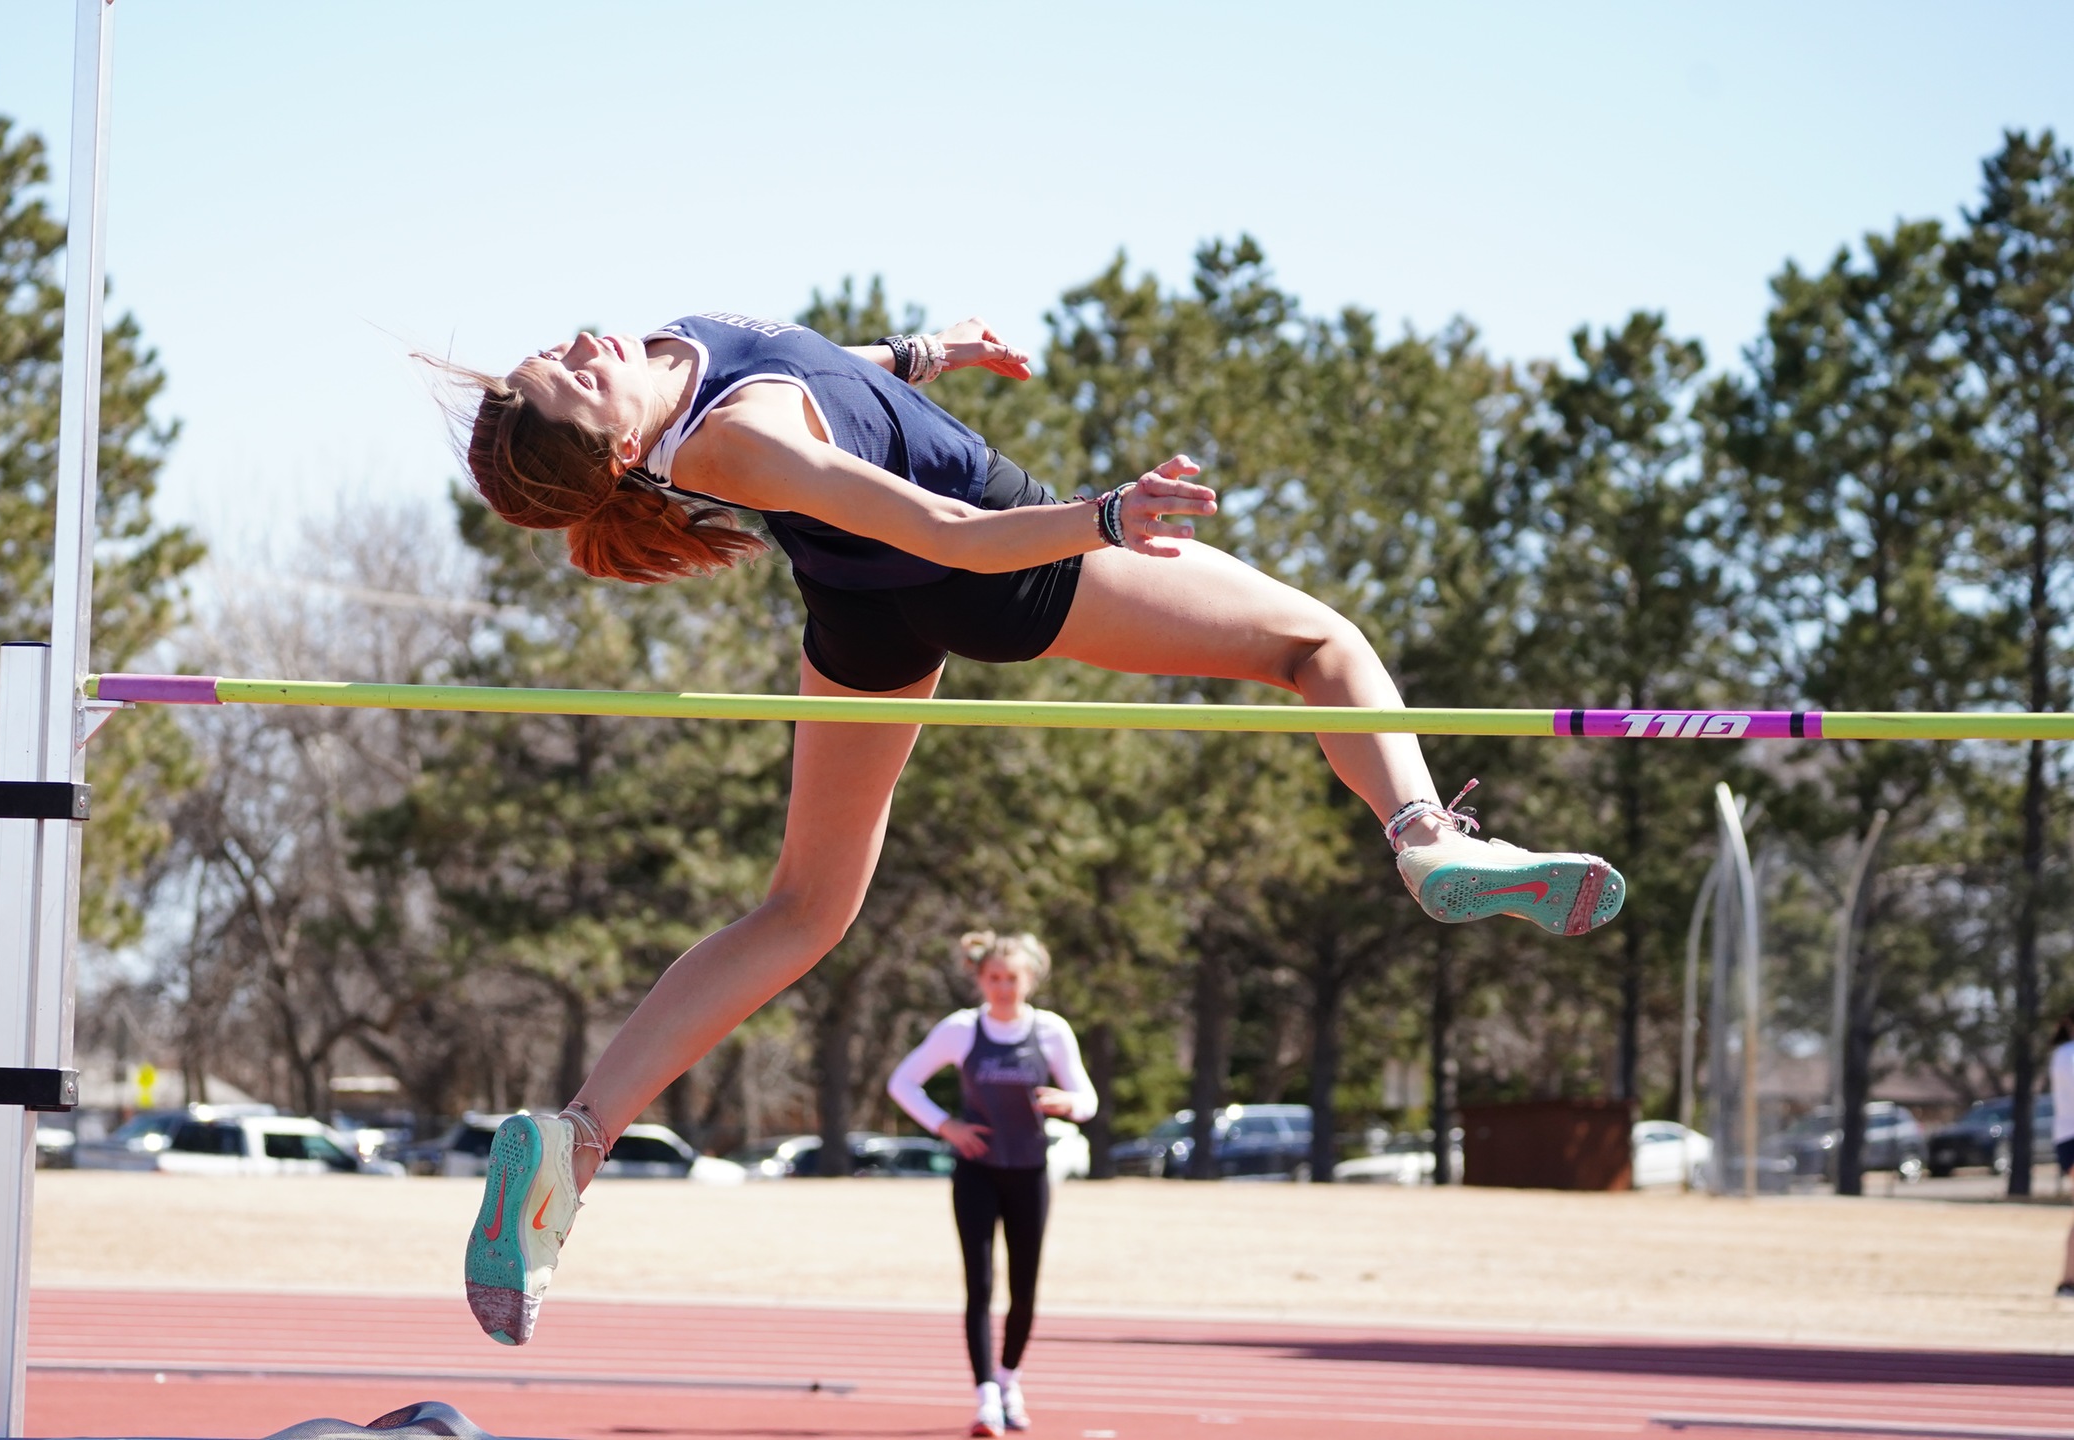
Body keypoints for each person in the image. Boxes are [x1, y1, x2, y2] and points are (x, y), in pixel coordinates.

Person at [449, 312, 1627, 1346]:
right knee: (1319, 646)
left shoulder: (683, 374)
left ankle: (574, 1148)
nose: (583, 348)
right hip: (986, 562)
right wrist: (1105, 516)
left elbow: (808, 368)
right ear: (615, 447)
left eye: (559, 354)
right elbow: (952, 535)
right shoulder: (736, 441)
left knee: (804, 910)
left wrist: (921, 355)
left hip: (863, 612)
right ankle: (1429, 839)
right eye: (575, 377)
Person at [887, 932, 1095, 1436]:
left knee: (1023, 1290)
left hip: (1028, 1172)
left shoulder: (1049, 1031)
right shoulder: (961, 1030)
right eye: (994, 978)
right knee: (979, 1287)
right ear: (980, 979)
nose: (1003, 988)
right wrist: (946, 1126)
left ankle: (1009, 1380)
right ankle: (985, 1399)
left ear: (1030, 980)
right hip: (976, 1171)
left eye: (1013, 979)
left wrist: (1068, 1104)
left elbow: (1086, 1098)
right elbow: (902, 1082)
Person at [2052, 1011, 2073, 1300]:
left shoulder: (2060, 1054)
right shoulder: (2068, 1054)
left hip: (2064, 1138)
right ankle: (2068, 1280)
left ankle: (2068, 1280)